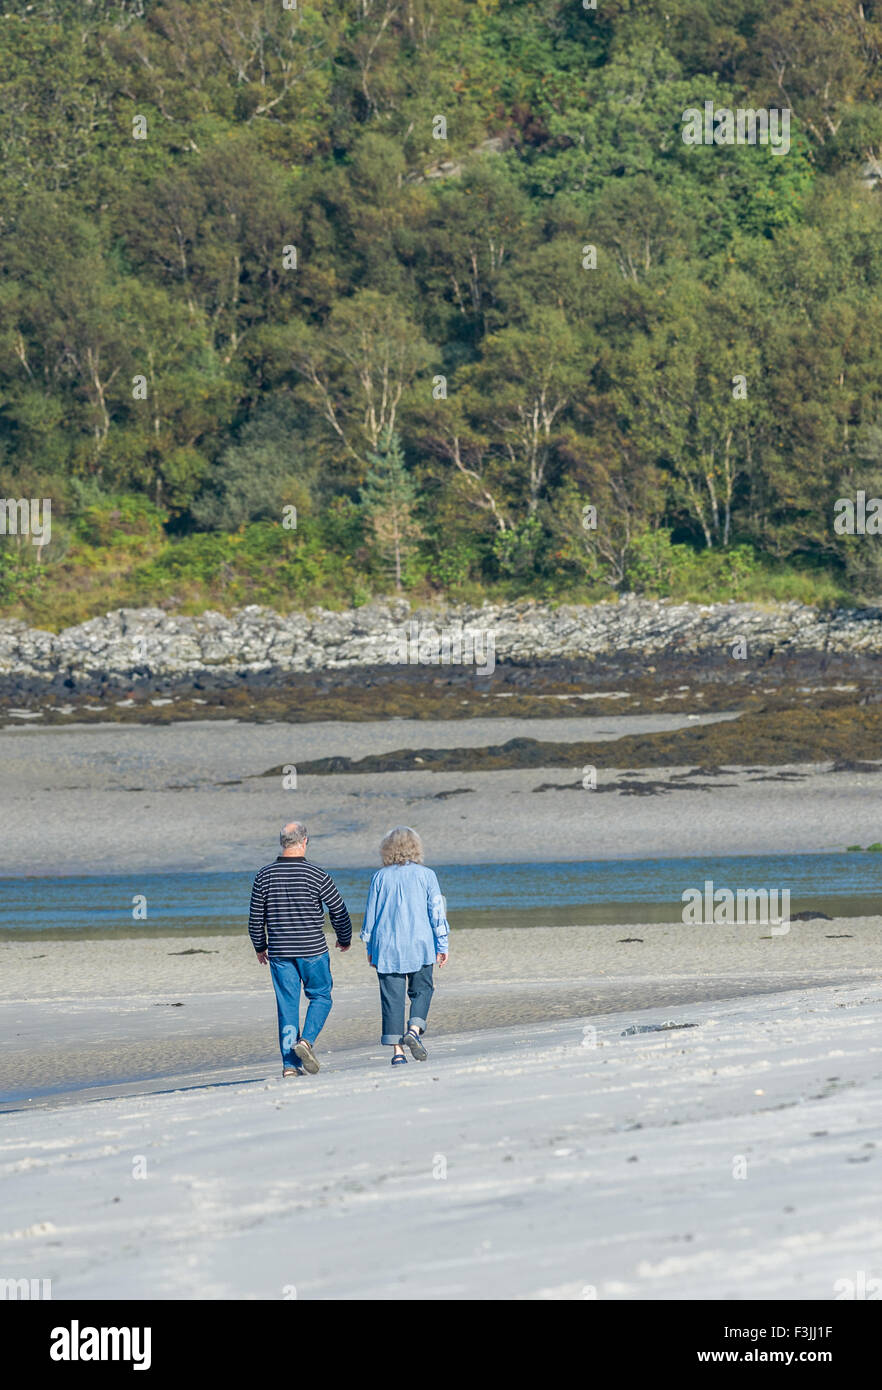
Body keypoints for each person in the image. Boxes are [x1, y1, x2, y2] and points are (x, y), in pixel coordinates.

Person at [248, 821, 351, 1077]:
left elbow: (254, 918)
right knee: (321, 996)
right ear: (304, 841)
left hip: (281, 952)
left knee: (287, 1006)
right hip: (312, 949)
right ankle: (305, 1043)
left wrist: (260, 945)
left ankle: (289, 1066)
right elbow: (338, 909)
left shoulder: (264, 875)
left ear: (283, 843)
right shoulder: (317, 874)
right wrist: (344, 938)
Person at [360, 826, 449, 1066]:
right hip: (420, 943)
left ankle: (398, 1053)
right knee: (423, 989)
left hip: (387, 944)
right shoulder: (427, 875)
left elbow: (371, 914)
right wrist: (443, 943)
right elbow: (437, 912)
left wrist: (368, 945)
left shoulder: (379, 876)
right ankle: (414, 1029)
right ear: (416, 847)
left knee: (392, 998)